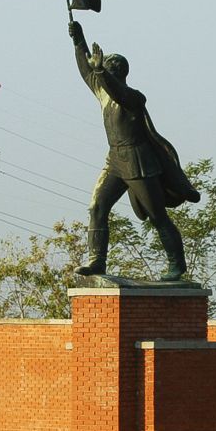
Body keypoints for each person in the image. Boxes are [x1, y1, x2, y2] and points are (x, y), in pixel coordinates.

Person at [67, 21, 199, 281]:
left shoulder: (133, 98)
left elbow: (118, 92)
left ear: (119, 72)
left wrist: (101, 72)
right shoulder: (103, 92)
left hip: (138, 161)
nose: (103, 71)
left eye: (108, 68)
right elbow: (86, 72)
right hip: (115, 160)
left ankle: (177, 263)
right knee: (97, 207)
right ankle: (97, 261)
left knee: (156, 215)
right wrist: (78, 40)